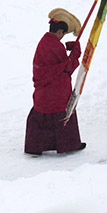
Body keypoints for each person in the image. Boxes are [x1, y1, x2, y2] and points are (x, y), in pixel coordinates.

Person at [25, 9, 84, 155]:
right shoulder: (56, 46)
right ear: (59, 31)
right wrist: (76, 52)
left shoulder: (44, 41)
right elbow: (67, 67)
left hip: (43, 92)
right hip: (56, 92)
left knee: (40, 117)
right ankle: (69, 145)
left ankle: (34, 148)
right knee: (63, 115)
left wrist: (66, 47)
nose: (62, 37)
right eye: (63, 34)